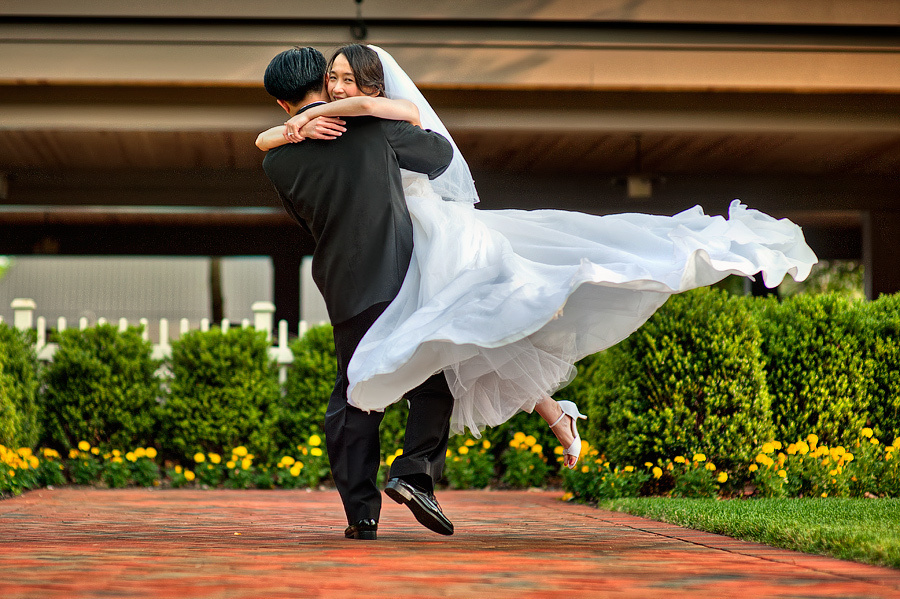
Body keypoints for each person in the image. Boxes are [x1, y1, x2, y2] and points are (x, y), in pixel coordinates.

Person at [261, 45, 817, 478]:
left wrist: (323, 113)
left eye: (346, 79)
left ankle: (552, 299)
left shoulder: (380, 114)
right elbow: (266, 140)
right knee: (471, 342)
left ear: (370, 86)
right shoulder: (333, 127)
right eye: (330, 78)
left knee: (486, 325)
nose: (335, 86)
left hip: (434, 231)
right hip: (408, 239)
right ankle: (554, 409)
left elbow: (402, 114)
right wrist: (285, 130)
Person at [259, 46, 459, 541]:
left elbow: (304, 217)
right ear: (327, 85)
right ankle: (414, 474)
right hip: (400, 273)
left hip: (342, 280)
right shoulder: (370, 127)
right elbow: (438, 156)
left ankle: (361, 515)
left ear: (283, 105)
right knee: (433, 381)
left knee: (354, 392)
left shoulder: (278, 160)